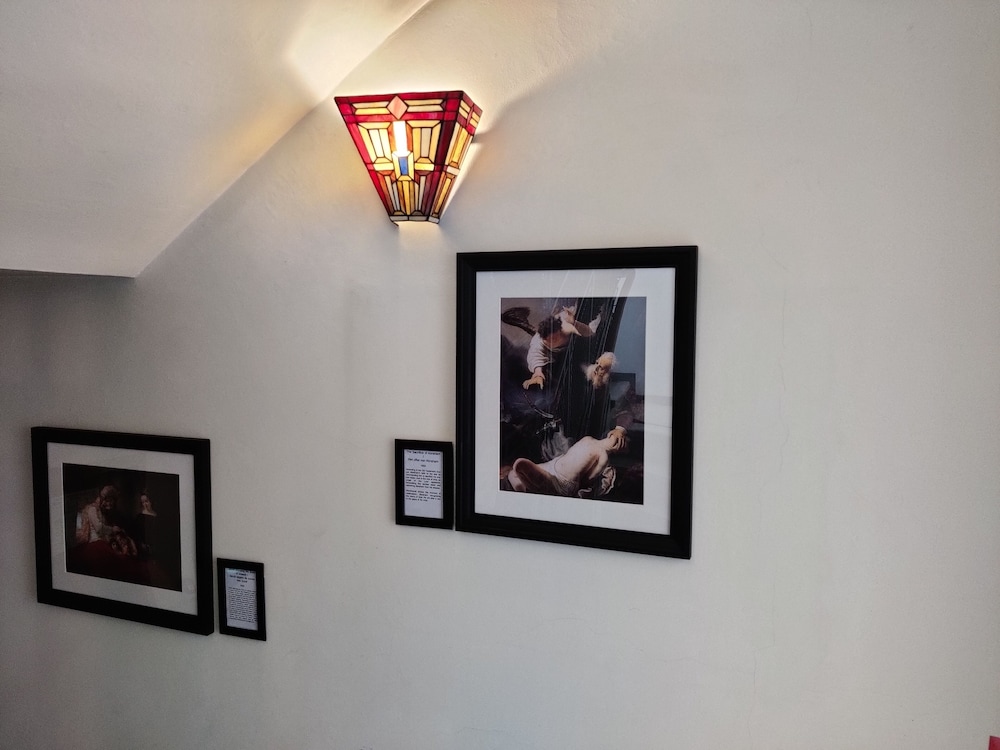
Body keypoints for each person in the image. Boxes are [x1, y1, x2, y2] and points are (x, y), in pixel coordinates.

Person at [506, 427, 628, 498]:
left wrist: (575, 484)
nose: (612, 440)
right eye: (613, 438)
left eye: (615, 442)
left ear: (614, 448)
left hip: (564, 478)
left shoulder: (603, 456)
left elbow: (589, 478)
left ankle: (553, 486)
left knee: (523, 468)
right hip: (555, 464)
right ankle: (525, 490)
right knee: (513, 474)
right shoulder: (589, 439)